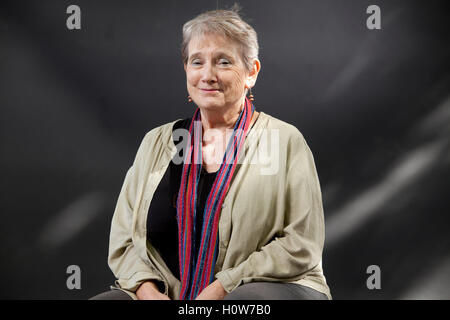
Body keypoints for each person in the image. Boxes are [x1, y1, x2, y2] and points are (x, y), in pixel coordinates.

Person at [90, 7, 331, 300]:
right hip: (170, 294)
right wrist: (146, 290)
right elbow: (124, 239)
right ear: (186, 71)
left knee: (244, 303)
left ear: (251, 72)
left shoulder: (284, 141)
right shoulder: (156, 142)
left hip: (268, 289)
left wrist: (223, 288)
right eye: (197, 62)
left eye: (224, 62)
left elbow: (301, 242)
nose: (207, 75)